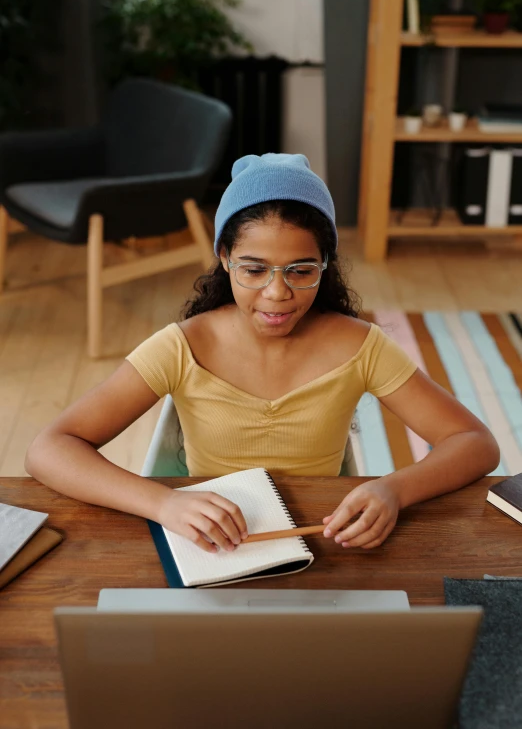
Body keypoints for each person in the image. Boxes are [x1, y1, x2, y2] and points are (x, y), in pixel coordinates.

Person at [26, 153, 500, 554]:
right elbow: (49, 449)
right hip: (210, 542)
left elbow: (474, 443)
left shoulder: (360, 345)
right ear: (226, 257)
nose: (277, 294)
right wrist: (163, 503)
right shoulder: (183, 345)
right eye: (254, 270)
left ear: (326, 264)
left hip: (324, 538)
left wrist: (394, 488)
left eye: (301, 270)